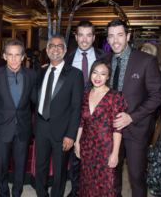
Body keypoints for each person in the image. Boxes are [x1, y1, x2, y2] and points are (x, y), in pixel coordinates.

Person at [103, 19, 161, 197]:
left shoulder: (146, 60)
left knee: (136, 176)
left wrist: (131, 116)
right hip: (110, 128)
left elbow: (158, 95)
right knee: (112, 173)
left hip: (135, 128)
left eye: (120, 35)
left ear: (128, 36)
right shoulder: (105, 61)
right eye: (111, 36)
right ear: (107, 39)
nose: (115, 40)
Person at [64, 21, 111, 197]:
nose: (84, 39)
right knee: (75, 155)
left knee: (98, 156)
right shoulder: (66, 57)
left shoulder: (106, 56)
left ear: (93, 37)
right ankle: (76, 190)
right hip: (74, 114)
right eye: (81, 35)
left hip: (99, 115)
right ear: (76, 37)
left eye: (88, 35)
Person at [34, 34, 84, 197]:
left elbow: (77, 108)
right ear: (47, 49)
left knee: (60, 168)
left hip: (62, 131)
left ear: (65, 50)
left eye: (59, 46)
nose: (55, 49)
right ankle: (41, 194)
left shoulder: (75, 74)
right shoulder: (40, 71)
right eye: (52, 46)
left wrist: (71, 135)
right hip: (41, 126)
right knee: (40, 166)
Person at [74, 59, 128, 196]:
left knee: (105, 183)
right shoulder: (84, 95)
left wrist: (115, 153)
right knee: (87, 181)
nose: (98, 77)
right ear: (90, 74)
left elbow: (117, 128)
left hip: (105, 147)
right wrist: (77, 143)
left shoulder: (115, 96)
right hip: (87, 145)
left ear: (108, 76)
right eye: (95, 72)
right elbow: (81, 122)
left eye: (103, 74)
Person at [0, 39, 37, 197]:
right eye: (10, 55)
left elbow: (37, 100)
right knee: (1, 167)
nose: (13, 58)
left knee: (20, 167)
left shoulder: (32, 75)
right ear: (4, 55)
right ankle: (3, 194)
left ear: (23, 56)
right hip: (2, 129)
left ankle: (17, 193)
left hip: (23, 129)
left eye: (17, 55)